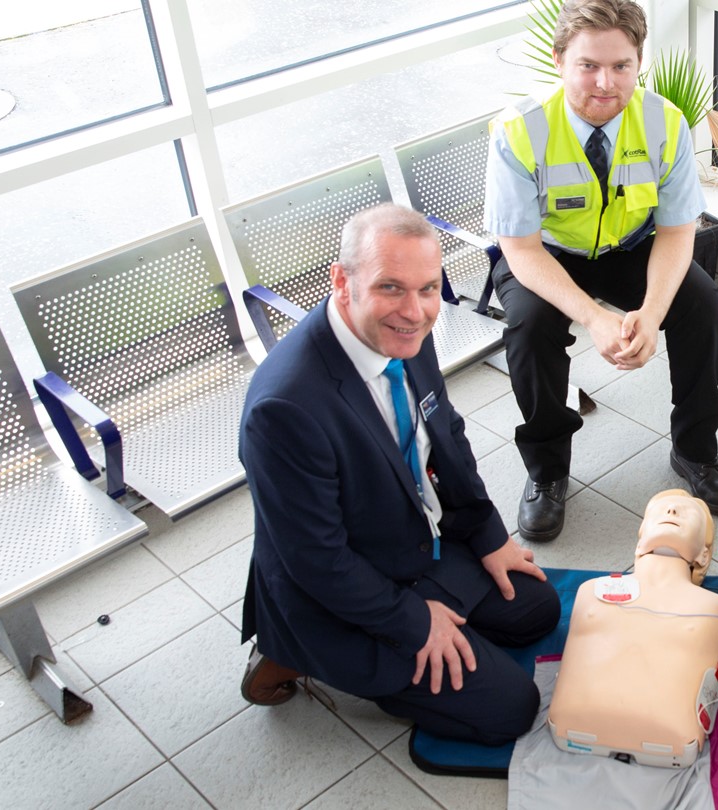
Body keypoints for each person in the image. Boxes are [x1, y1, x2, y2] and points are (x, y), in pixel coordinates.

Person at [237, 204, 561, 745]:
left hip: (403, 537)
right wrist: (415, 622)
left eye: (428, 288)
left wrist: (487, 535)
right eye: (391, 288)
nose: (415, 311)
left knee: (536, 610)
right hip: (338, 586)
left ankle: (436, 615)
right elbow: (317, 560)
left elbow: (446, 432)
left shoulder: (408, 326)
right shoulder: (284, 408)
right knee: (510, 709)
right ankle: (289, 651)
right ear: (342, 282)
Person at [484, 0, 718, 544]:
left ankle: (696, 451)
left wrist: (649, 314)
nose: (606, 83)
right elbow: (521, 249)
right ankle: (547, 472)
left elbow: (676, 233)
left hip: (631, 246)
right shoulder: (519, 131)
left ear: (638, 62)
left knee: (701, 304)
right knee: (530, 330)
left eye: (621, 66)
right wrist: (596, 320)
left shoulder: (664, 123)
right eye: (588, 65)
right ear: (559, 60)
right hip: (547, 255)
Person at [548, 489, 718, 767]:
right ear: (639, 538)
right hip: (578, 724)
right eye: (662, 510)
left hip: (663, 735)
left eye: (686, 512)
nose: (671, 511)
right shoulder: (591, 592)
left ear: (704, 555)